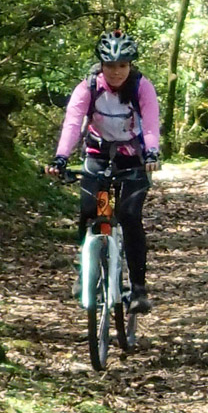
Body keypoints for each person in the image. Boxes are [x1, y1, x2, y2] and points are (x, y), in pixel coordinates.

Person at [48, 30, 162, 313]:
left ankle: (138, 288)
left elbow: (150, 123)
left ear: (131, 65)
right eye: (110, 65)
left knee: (130, 216)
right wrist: (61, 158)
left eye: (122, 65)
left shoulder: (141, 87)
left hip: (133, 158)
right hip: (98, 154)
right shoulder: (88, 87)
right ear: (101, 65)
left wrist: (151, 152)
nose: (116, 71)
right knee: (90, 210)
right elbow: (73, 123)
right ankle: (84, 270)